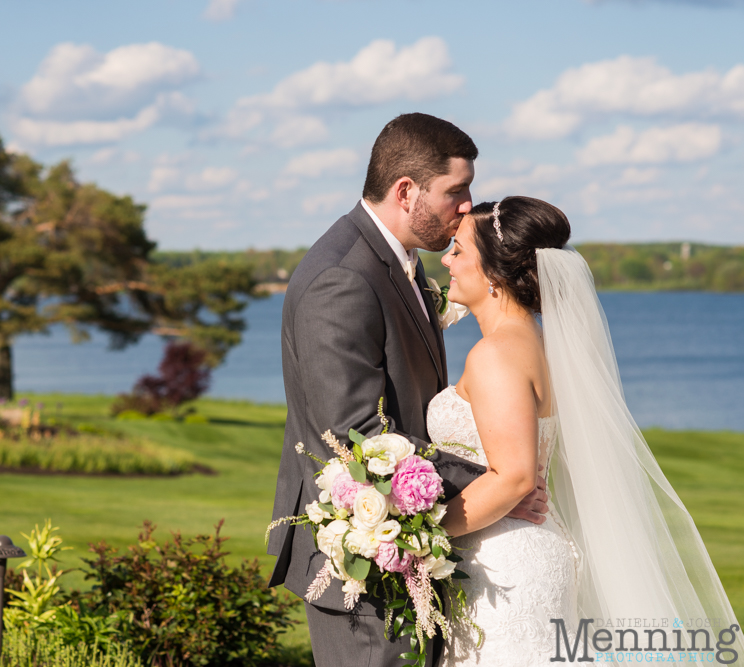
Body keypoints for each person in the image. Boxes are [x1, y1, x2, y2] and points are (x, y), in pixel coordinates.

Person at [267, 113, 549, 667]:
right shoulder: (343, 278)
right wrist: (499, 481)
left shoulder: (404, 265)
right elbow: (356, 437)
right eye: (457, 191)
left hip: (422, 549)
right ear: (406, 191)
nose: (468, 205)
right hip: (366, 563)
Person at [431, 196, 742, 666]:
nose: (447, 260)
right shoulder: (540, 345)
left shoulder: (496, 355)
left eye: (458, 250)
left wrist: (424, 535)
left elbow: (513, 476)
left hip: (504, 565)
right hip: (523, 547)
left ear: (495, 273)